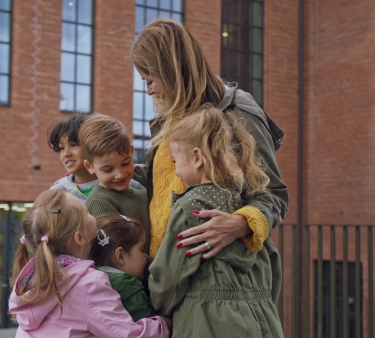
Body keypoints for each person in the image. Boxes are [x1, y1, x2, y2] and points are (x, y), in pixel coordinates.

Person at [131, 19, 288, 258]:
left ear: (172, 72)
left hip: (213, 277)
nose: (149, 91)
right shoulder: (169, 115)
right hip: (163, 274)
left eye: (150, 80)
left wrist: (239, 224)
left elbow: (274, 195)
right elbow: (163, 180)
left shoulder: (239, 111)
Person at [149, 105, 283, 337]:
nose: (176, 172)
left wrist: (156, 306)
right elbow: (273, 264)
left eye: (174, 161)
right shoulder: (247, 210)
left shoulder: (191, 208)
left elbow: (167, 280)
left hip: (206, 324)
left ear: (197, 157)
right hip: (262, 323)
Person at [8, 189, 170, 337]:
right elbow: (126, 334)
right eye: (86, 212)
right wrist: (163, 324)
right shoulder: (89, 284)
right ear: (79, 238)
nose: (92, 214)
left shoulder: (31, 281)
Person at [78, 113, 151, 253]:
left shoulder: (141, 194)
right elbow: (118, 257)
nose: (120, 174)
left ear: (131, 151)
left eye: (125, 163)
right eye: (108, 169)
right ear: (89, 167)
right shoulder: (99, 202)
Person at [48, 114, 145, 204]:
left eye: (74, 145)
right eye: (62, 148)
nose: (66, 154)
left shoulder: (128, 185)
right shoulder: (57, 193)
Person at [89, 213, 155, 321]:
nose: (146, 256)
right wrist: (165, 322)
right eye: (141, 250)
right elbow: (150, 330)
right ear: (120, 256)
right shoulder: (130, 289)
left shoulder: (86, 281)